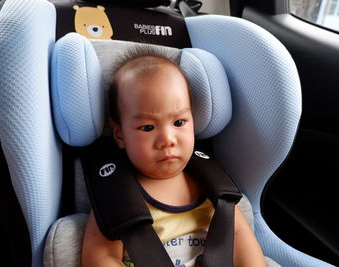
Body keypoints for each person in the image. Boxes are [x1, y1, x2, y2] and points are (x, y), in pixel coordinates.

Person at [82, 47, 266, 267]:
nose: (168, 139)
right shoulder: (118, 194)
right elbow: (100, 257)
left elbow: (238, 235)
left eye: (179, 123)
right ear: (120, 135)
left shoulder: (212, 184)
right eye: (148, 127)